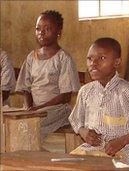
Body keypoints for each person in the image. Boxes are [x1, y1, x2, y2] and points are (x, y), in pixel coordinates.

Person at [15, 10, 81, 139]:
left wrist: (39, 108)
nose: (41, 32)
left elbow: (65, 96)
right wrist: (29, 107)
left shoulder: (64, 58)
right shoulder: (31, 57)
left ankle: (32, 154)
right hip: (34, 109)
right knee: (11, 122)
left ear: (59, 32)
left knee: (29, 125)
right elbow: (25, 88)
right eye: (38, 28)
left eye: (47, 29)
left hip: (56, 110)